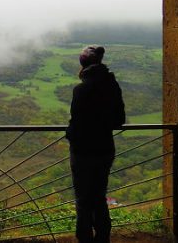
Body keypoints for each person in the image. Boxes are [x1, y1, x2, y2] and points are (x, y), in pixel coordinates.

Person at [65, 45, 125, 243]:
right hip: (105, 149)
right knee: (99, 197)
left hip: (83, 152)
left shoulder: (81, 90)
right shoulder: (112, 86)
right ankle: (103, 238)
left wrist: (70, 133)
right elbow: (119, 120)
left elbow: (76, 123)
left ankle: (85, 238)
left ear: (83, 66)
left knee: (83, 200)